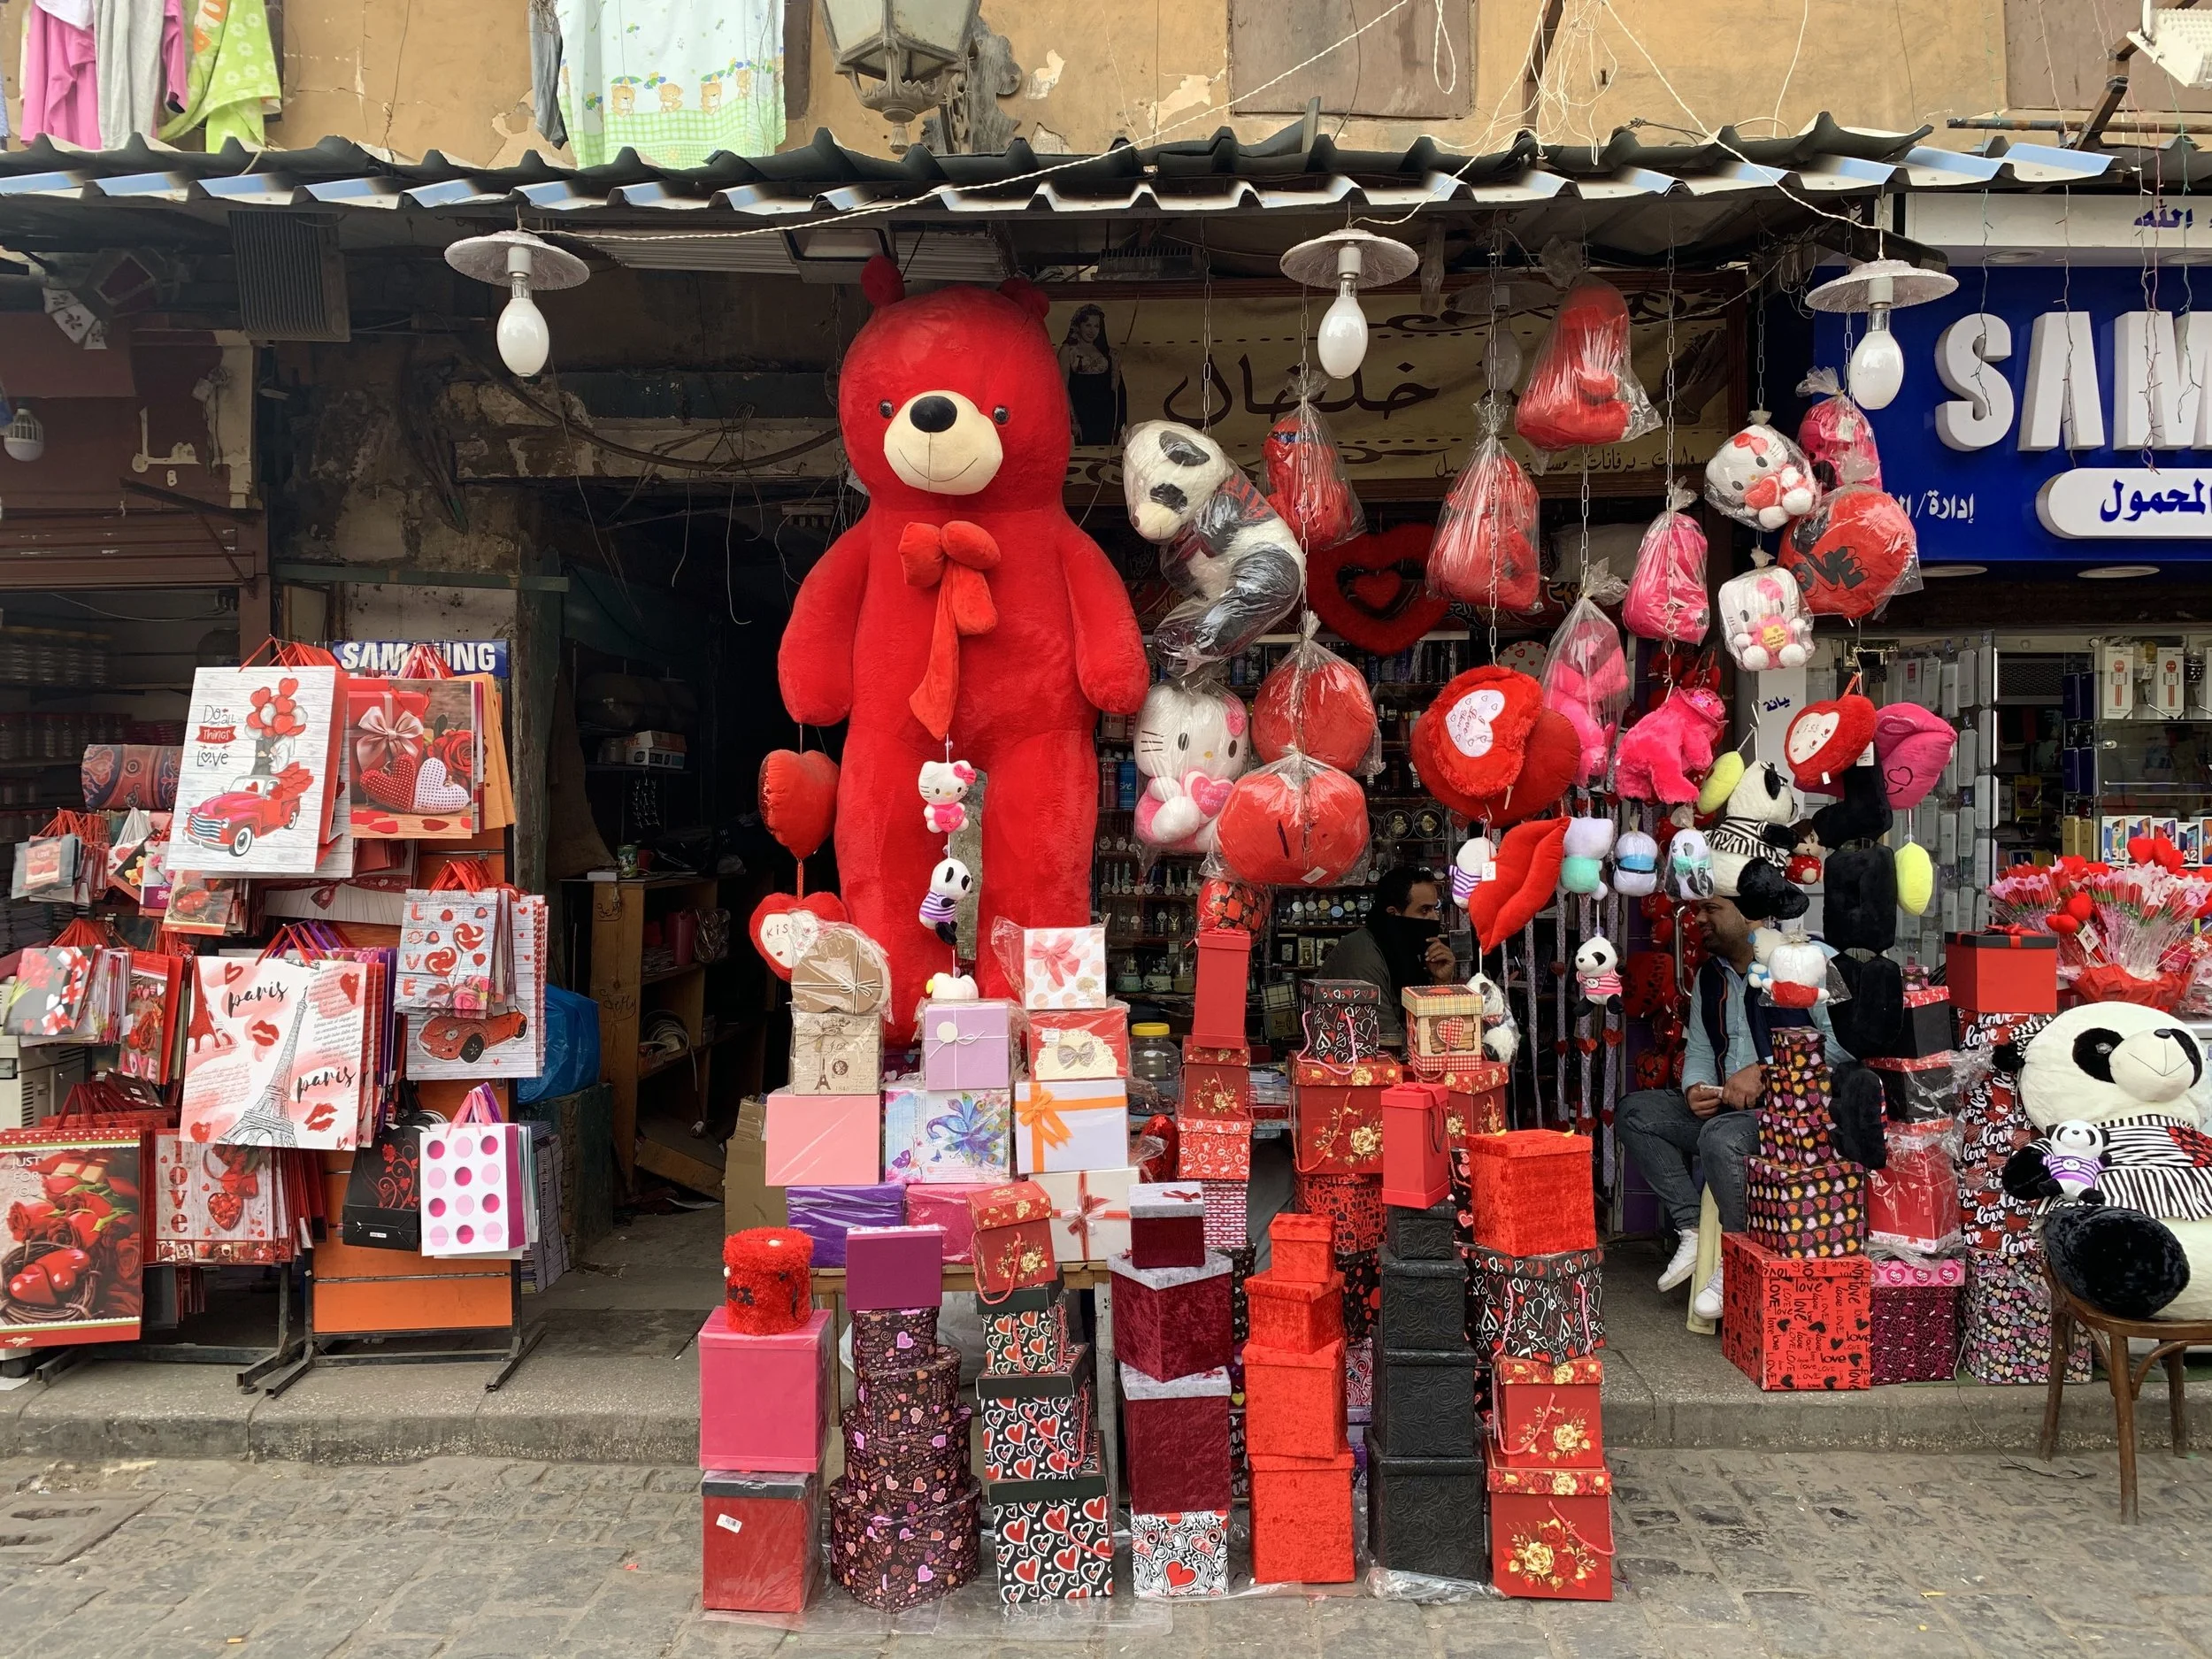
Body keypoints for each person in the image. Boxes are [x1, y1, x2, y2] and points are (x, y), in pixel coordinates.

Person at [1617, 873, 1852, 1323]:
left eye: (1711, 909)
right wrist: (1694, 1089)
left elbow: (1842, 1047)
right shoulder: (1709, 976)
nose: (1698, 919)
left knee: (1721, 1137)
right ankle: (1689, 1228)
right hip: (1728, 1110)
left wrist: (1767, 1071)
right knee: (1637, 1111)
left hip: (1797, 1118)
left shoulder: (1807, 961)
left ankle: (1736, 1255)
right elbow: (1702, 1051)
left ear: (1749, 913)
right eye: (1698, 909)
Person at [1317, 864, 1461, 1049]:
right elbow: (1388, 1040)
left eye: (1435, 909)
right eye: (1425, 910)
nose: (1434, 918)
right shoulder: (1363, 955)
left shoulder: (1404, 952)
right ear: (1394, 913)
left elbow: (1438, 1033)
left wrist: (1441, 982)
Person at [1058, 304, 1125, 447]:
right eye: (1088, 325)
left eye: (1096, 326)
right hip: (1082, 413)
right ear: (1078, 326)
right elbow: (1062, 387)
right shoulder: (1068, 350)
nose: (1092, 331)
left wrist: (1115, 368)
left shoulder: (1107, 352)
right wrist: (1072, 420)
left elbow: (1116, 390)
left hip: (1106, 415)